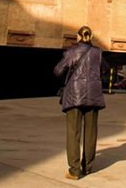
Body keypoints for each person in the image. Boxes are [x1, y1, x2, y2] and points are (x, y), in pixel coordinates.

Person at [54, 26, 106, 180]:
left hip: (74, 96)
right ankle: (88, 167)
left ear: (78, 37)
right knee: (91, 132)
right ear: (91, 36)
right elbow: (105, 69)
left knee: (73, 133)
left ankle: (74, 170)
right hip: (93, 95)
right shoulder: (98, 52)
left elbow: (58, 71)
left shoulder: (72, 52)